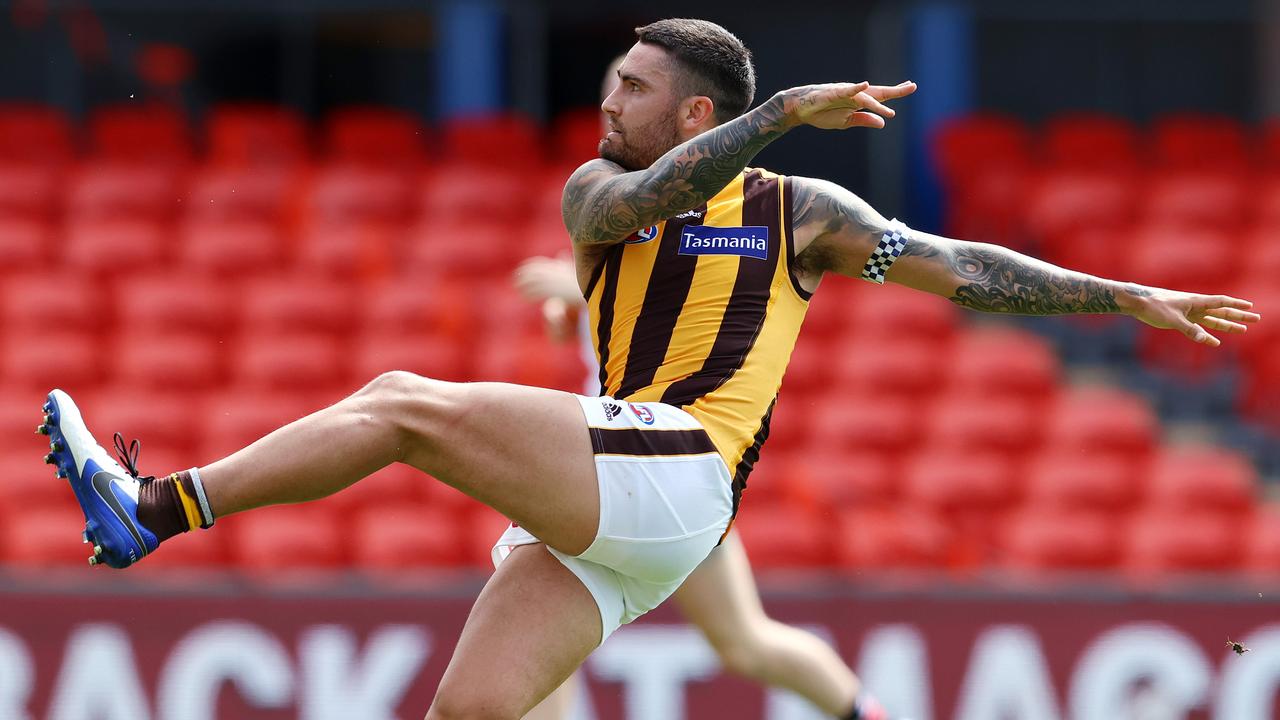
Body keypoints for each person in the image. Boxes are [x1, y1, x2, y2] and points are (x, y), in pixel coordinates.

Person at [41, 18, 1257, 720]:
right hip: (633, 509)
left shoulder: (801, 211)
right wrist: (776, 109)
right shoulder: (597, 190)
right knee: (462, 717)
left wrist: (1121, 295)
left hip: (678, 475)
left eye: (632, 86)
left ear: (690, 111)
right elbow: (650, 200)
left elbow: (955, 264)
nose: (605, 98)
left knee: (404, 406)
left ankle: (154, 508)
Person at [511, 55, 889, 720]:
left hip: (667, 461)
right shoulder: (608, 204)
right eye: (613, 96)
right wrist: (569, 307)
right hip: (610, 460)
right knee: (554, 636)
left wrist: (573, 288)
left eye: (631, 94)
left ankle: (865, 711)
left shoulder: (712, 208)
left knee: (742, 644)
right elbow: (602, 299)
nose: (616, 112)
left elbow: (679, 279)